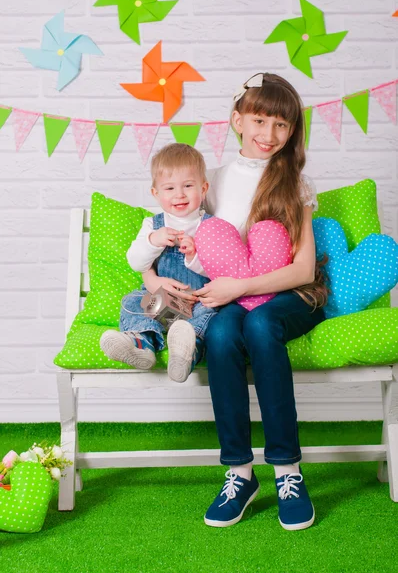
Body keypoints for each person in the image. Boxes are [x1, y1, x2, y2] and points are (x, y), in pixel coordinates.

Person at [142, 73, 328, 531]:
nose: (269, 134)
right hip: (229, 299)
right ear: (237, 121)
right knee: (223, 333)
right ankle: (239, 473)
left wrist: (239, 289)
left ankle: (287, 471)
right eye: (260, 120)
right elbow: (182, 247)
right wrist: (157, 281)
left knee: (262, 326)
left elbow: (304, 271)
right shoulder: (213, 182)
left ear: (292, 132)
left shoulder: (295, 183)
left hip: (290, 297)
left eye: (282, 125)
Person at [100, 143, 217, 383]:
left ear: (203, 188)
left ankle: (186, 351)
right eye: (170, 188)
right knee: (134, 300)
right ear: (156, 193)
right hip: (166, 304)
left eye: (188, 186)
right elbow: (135, 262)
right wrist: (154, 241)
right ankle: (142, 344)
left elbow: (221, 269)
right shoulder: (152, 225)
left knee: (215, 314)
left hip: (199, 302)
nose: (179, 194)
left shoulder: (212, 226)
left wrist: (195, 256)